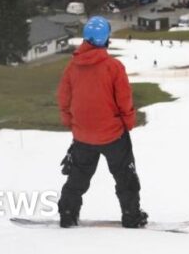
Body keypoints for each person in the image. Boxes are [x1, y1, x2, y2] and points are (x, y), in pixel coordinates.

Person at [57, 16, 148, 229]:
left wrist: (70, 122)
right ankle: (131, 216)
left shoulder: (72, 67)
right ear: (106, 39)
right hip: (113, 134)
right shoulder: (113, 66)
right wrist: (128, 123)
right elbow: (124, 100)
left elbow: (64, 98)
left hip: (82, 136)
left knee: (78, 176)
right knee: (125, 176)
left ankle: (68, 213)